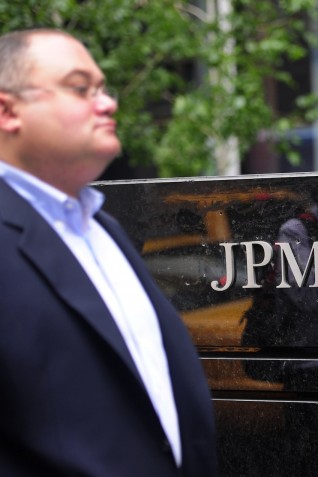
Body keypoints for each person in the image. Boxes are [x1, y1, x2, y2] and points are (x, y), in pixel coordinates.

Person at [0, 29, 218, 476]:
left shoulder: (103, 228)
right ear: (7, 110)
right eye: (81, 88)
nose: (107, 103)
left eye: (103, 88)